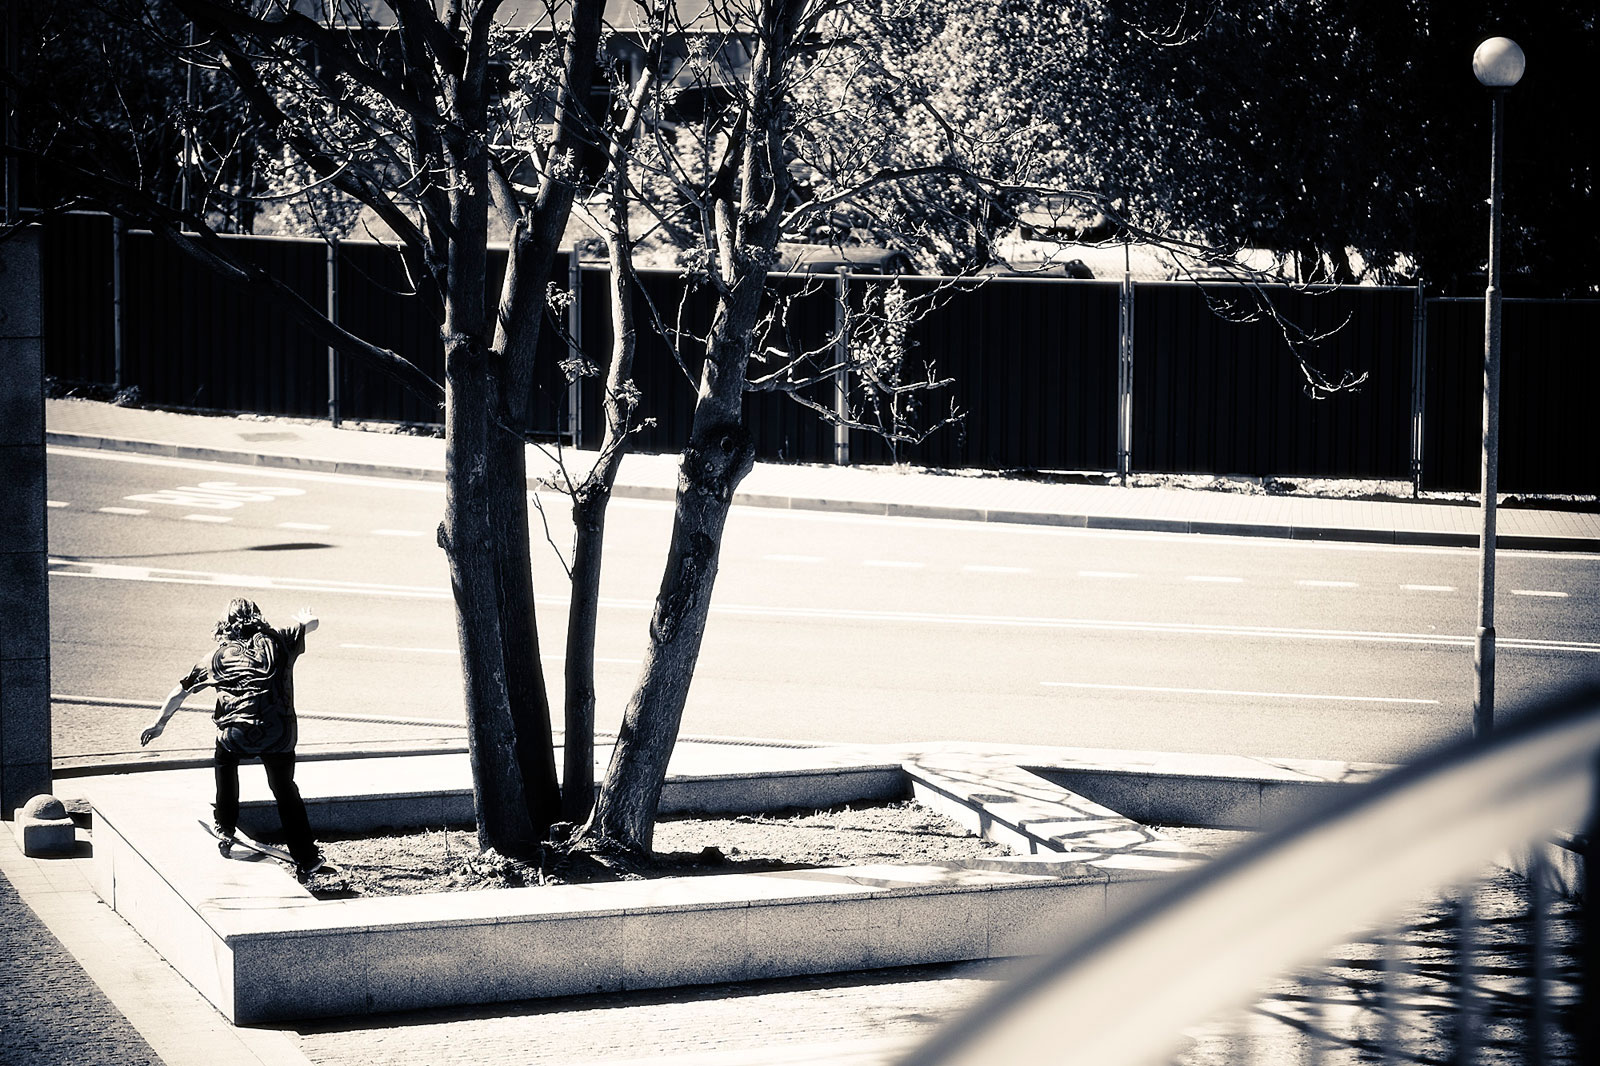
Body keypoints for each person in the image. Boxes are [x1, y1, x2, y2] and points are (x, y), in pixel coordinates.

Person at [141, 598, 326, 881]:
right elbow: (311, 624)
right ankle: (307, 855)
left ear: (225, 626)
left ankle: (226, 826)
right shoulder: (280, 639)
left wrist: (159, 723)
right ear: (258, 618)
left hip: (237, 735)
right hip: (280, 735)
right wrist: (305, 618)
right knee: (285, 789)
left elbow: (180, 692)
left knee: (225, 761)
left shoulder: (215, 658)